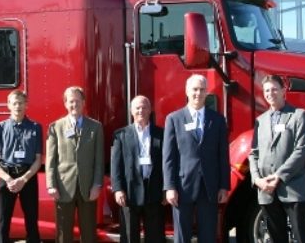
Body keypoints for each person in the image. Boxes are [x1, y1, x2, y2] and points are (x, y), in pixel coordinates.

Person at [163, 74, 229, 243]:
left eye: (202, 90)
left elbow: (223, 155)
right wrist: (170, 187)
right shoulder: (174, 119)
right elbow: (169, 157)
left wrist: (224, 186)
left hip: (209, 186)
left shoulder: (218, 120)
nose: (198, 93)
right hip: (182, 186)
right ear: (187, 91)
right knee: (182, 236)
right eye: (194, 89)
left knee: (208, 235)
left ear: (207, 92)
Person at [249, 74, 305, 243]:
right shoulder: (260, 121)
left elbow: (302, 149)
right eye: (267, 90)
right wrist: (257, 180)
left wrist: (279, 176)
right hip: (266, 191)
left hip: (292, 188)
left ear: (283, 91)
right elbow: (253, 153)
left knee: (302, 236)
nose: (271, 93)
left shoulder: (299, 115)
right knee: (276, 237)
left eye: (274, 89)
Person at [46, 86, 104, 243]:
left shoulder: (96, 127)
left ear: (83, 103)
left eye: (78, 101)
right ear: (65, 103)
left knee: (89, 233)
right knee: (63, 234)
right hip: (63, 187)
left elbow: (99, 160)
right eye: (71, 101)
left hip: (88, 188)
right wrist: (51, 185)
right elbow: (50, 160)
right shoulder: (55, 127)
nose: (74, 104)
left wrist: (97, 185)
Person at [0, 89, 43, 243]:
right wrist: (8, 178)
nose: (18, 106)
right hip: (7, 175)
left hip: (28, 176)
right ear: (8, 106)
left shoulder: (35, 128)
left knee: (32, 221)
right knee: (2, 221)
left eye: (21, 103)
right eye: (14, 103)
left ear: (26, 105)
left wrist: (23, 179)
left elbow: (38, 159)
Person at [110, 95, 165, 243]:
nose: (141, 110)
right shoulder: (120, 135)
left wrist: (166, 189)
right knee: (129, 236)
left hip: (154, 191)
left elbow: (167, 164)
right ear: (131, 111)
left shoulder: (162, 134)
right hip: (129, 192)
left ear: (150, 110)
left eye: (144, 107)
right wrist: (117, 189)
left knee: (155, 237)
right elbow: (116, 165)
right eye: (137, 108)